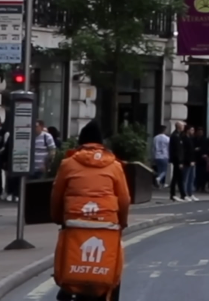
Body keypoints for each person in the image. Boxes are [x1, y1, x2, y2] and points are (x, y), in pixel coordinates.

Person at [51, 121, 129, 301]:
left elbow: (56, 195)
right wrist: (122, 223)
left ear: (81, 142)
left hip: (75, 222)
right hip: (106, 222)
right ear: (101, 143)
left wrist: (58, 218)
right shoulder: (115, 166)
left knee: (69, 261)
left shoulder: (68, 164)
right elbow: (124, 199)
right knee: (112, 267)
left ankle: (67, 290)